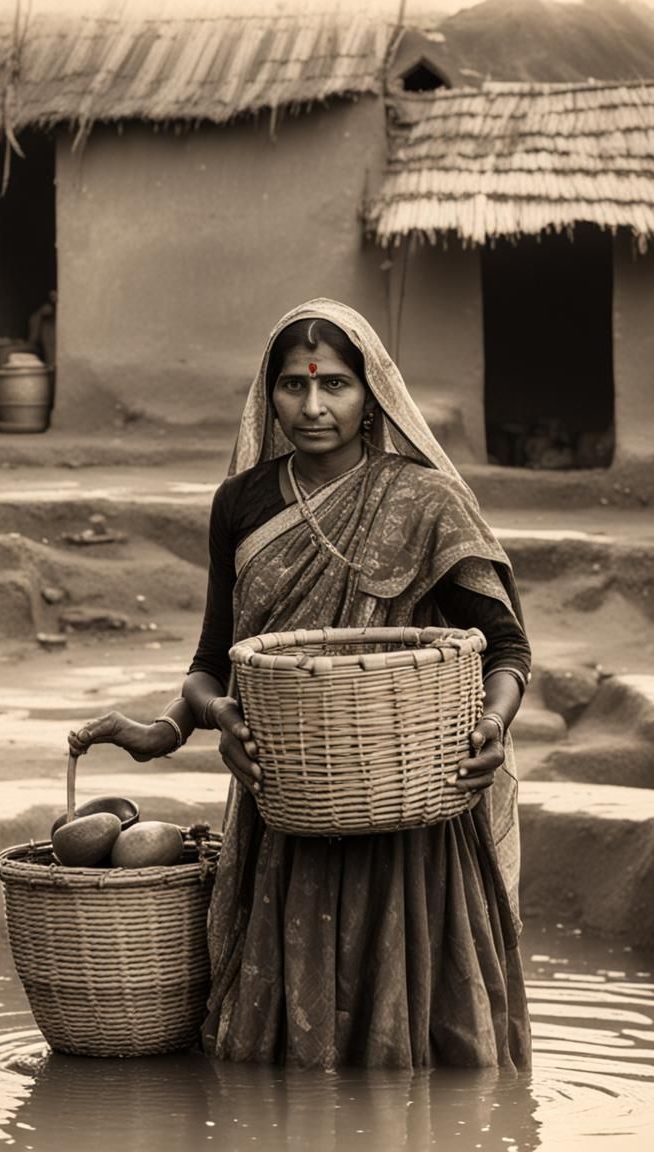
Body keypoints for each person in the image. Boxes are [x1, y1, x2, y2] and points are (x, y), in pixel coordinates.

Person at [68, 299, 532, 1071]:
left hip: (409, 806)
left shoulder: (424, 501)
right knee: (286, 1054)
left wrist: (493, 723)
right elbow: (213, 659)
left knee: (420, 1042)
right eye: (292, 385)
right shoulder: (242, 503)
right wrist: (183, 725)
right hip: (286, 800)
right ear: (268, 393)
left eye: (336, 385)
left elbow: (507, 648)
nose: (313, 407)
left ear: (371, 392)